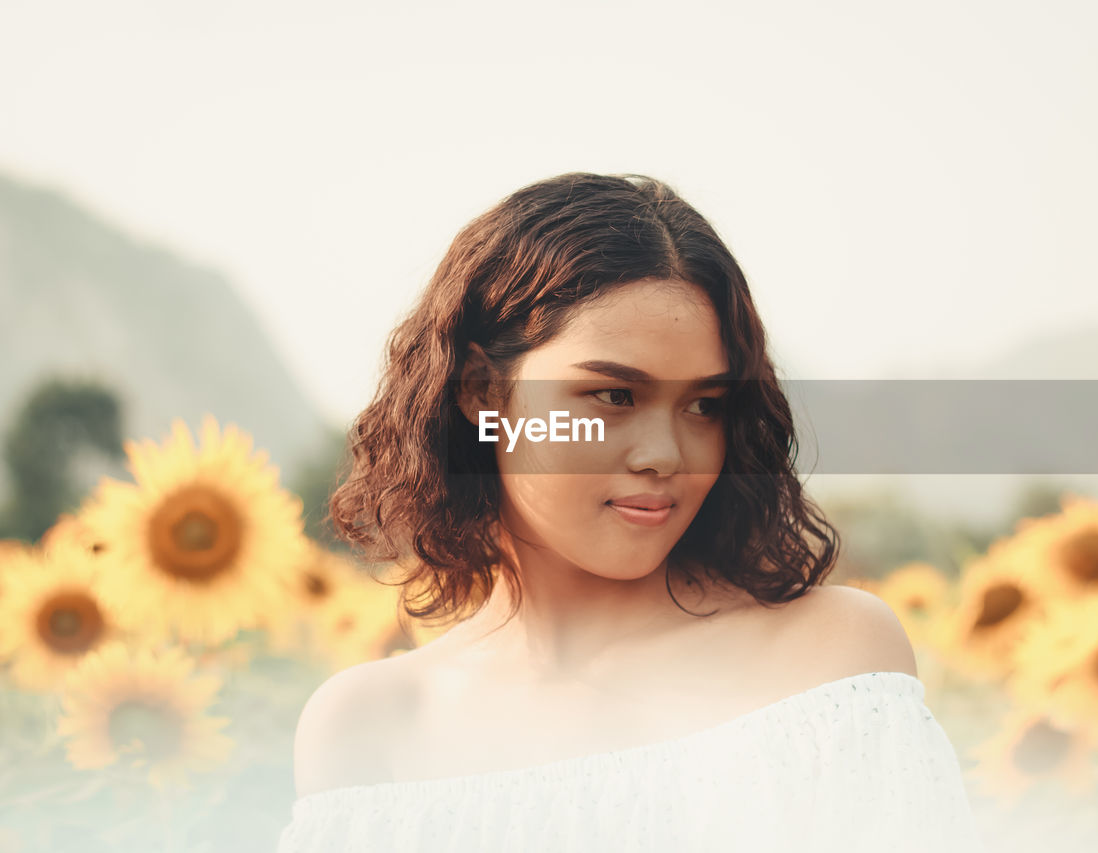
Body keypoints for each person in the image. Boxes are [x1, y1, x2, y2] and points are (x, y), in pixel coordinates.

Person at [274, 172, 986, 852]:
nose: (665, 453)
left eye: (704, 405)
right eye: (614, 397)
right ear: (483, 394)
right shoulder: (367, 727)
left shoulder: (828, 665)